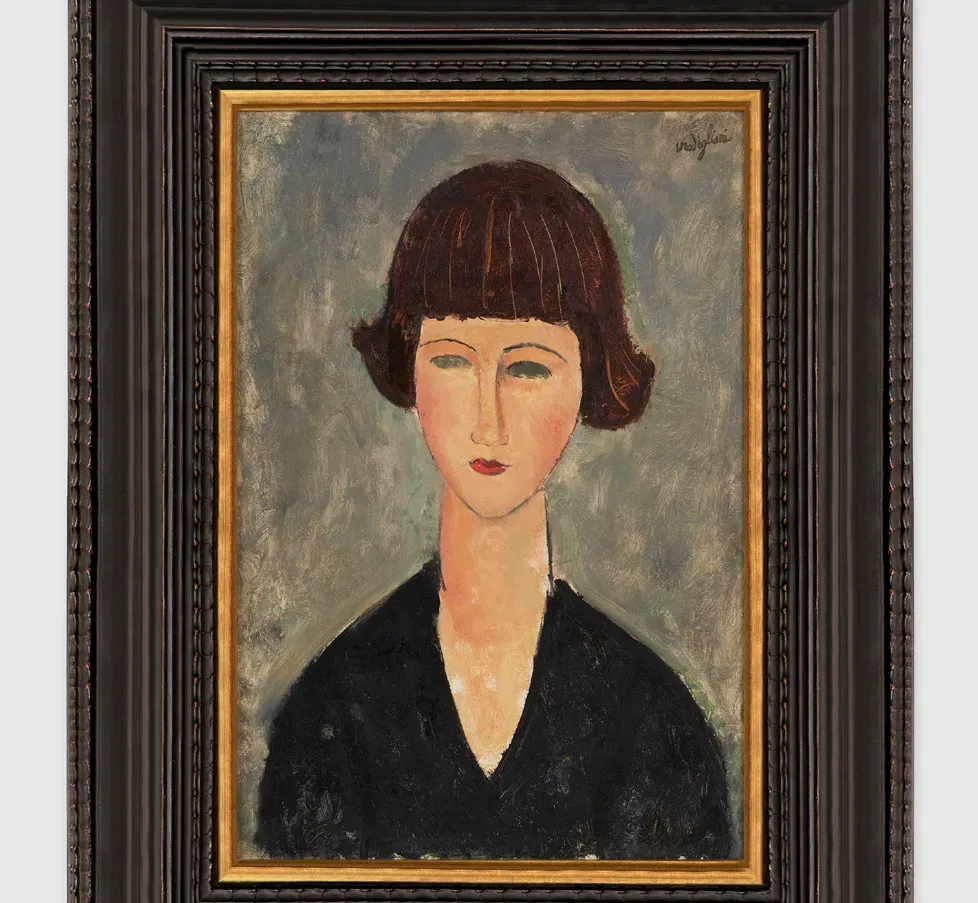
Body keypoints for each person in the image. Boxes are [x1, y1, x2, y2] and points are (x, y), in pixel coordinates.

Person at [255, 159, 732, 861]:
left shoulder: (654, 725)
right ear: (409, 367)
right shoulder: (331, 713)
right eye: (451, 360)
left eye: (528, 368)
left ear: (590, 379)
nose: (487, 419)